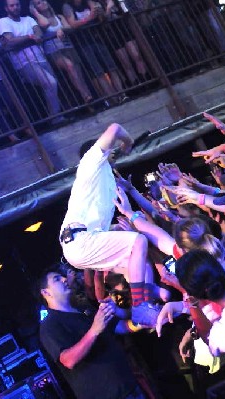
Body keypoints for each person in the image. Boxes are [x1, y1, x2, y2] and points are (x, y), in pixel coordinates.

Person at [59, 123, 159, 327]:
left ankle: (147, 303)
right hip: (79, 241)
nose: (114, 153)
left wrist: (118, 228)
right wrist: (128, 142)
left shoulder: (104, 181)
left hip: (82, 243)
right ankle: (140, 306)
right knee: (138, 242)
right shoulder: (90, 162)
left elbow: (97, 227)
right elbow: (114, 128)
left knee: (133, 264)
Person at [38, 266, 146, 399]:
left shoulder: (83, 308)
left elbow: (119, 327)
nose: (65, 279)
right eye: (57, 279)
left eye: (62, 276)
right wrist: (94, 330)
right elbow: (68, 360)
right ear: (46, 293)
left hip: (129, 386)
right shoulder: (50, 325)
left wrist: (144, 322)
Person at [0, 0, 63, 123]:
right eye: (12, 5)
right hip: (24, 62)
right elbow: (10, 41)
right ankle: (55, 117)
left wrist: (31, 38)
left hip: (40, 57)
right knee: (50, 83)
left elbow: (38, 33)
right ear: (6, 8)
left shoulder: (28, 19)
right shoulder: (4, 21)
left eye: (17, 4)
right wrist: (29, 37)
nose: (15, 7)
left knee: (50, 86)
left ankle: (56, 116)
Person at [62, 0, 127, 103]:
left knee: (112, 68)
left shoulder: (88, 2)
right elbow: (72, 24)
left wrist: (101, 12)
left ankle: (122, 94)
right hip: (83, 43)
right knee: (99, 73)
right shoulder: (67, 6)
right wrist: (89, 18)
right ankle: (113, 98)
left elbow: (99, 15)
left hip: (97, 38)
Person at [30, 0, 93, 104]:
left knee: (79, 73)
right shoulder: (38, 22)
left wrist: (62, 30)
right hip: (54, 51)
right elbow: (45, 24)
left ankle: (90, 102)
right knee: (70, 66)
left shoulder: (59, 16)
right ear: (35, 8)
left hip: (68, 46)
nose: (44, 3)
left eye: (44, 0)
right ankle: (86, 95)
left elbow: (69, 28)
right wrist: (35, 13)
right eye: (39, 3)